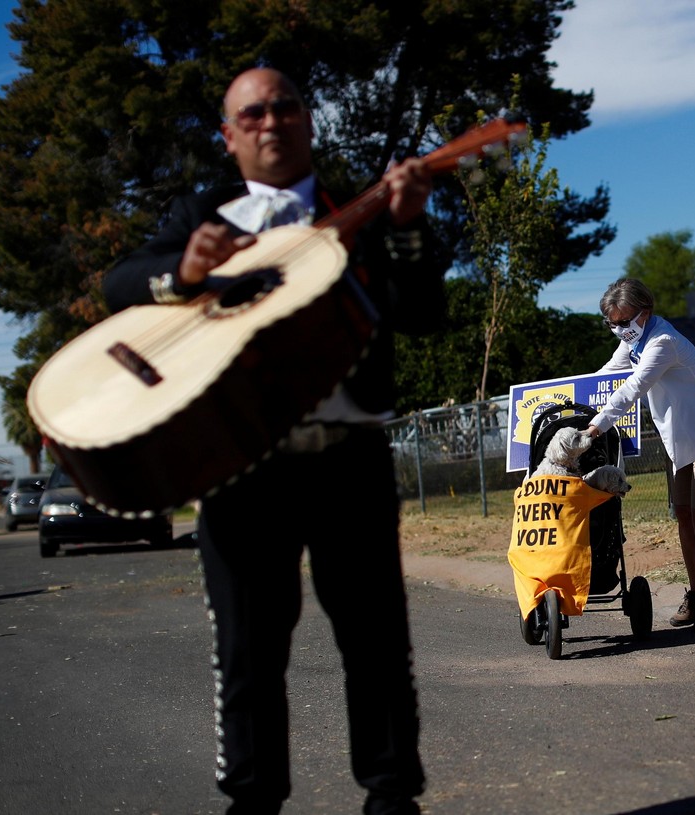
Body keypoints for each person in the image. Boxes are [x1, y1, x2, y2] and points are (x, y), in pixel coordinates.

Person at [104, 68, 449, 815]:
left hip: (350, 458)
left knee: (377, 643)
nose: (271, 121)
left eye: (285, 106)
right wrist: (182, 271)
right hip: (238, 464)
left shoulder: (359, 208)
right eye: (251, 112)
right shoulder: (203, 210)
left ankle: (392, 798)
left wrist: (412, 224)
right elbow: (119, 282)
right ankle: (252, 802)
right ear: (229, 136)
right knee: (249, 652)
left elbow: (419, 314)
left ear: (308, 122)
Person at [582, 278, 695, 630]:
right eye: (612, 323)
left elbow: (633, 388)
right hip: (681, 445)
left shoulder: (662, 342)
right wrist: (573, 401)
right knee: (685, 516)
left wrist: (595, 428)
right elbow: (606, 375)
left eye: (625, 321)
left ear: (646, 312)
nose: (619, 330)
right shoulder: (634, 343)